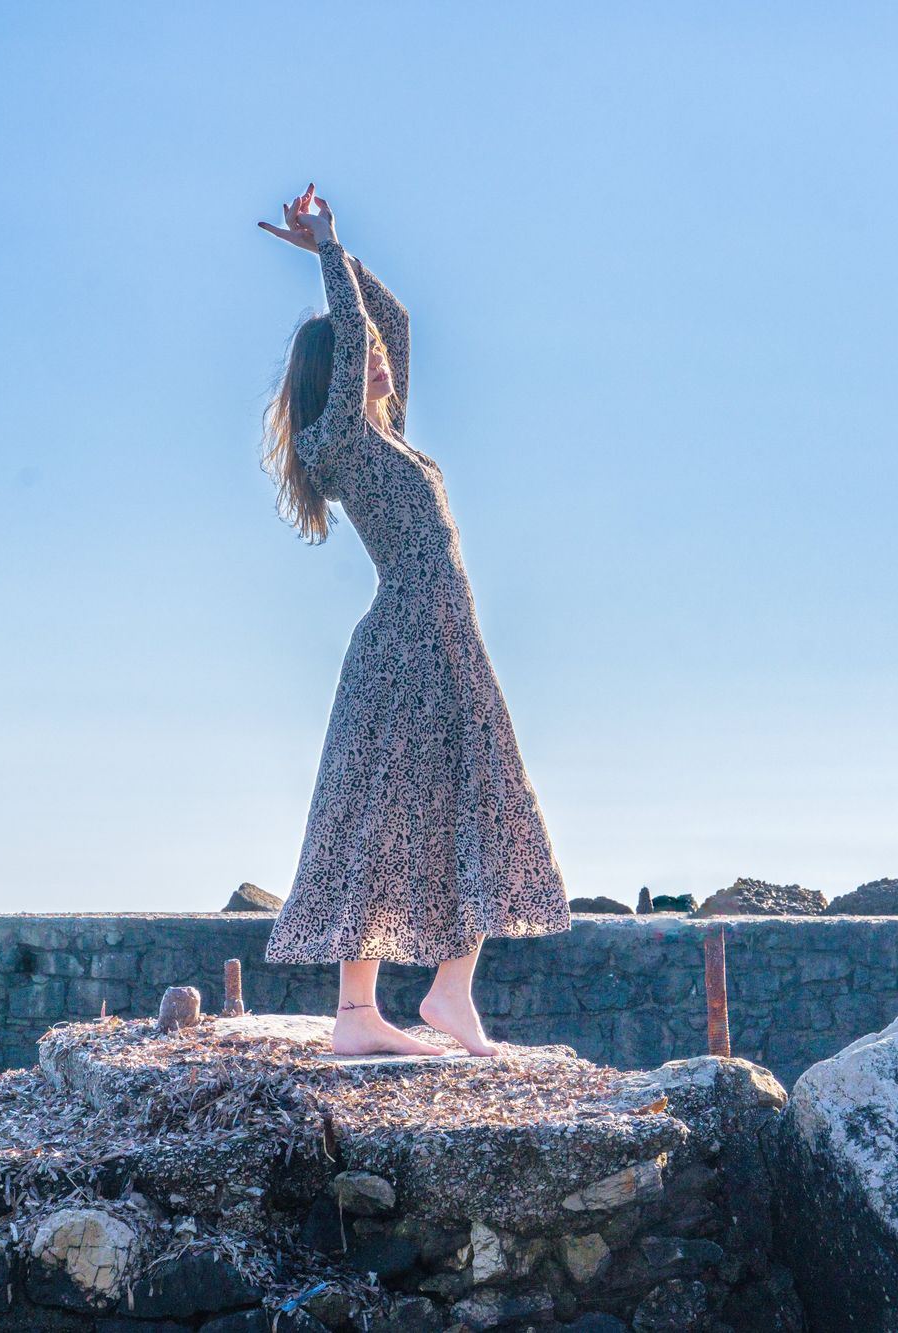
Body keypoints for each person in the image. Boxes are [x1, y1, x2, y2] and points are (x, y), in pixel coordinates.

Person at [256, 184, 570, 1058]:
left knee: (468, 802)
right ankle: (368, 1011)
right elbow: (361, 338)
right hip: (407, 643)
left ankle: (441, 994)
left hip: (442, 641)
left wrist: (341, 252)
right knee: (387, 811)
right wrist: (325, 253)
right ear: (335, 377)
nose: (380, 363)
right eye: (360, 361)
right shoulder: (339, 444)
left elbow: (390, 321)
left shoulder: (390, 438)